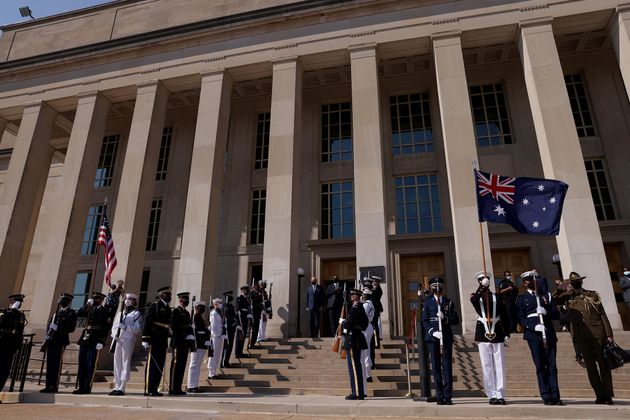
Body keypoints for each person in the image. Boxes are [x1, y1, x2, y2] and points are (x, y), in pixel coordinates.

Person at [565, 271, 615, 405]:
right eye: (573, 281)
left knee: (604, 366)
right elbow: (555, 297)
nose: (576, 283)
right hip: (581, 336)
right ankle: (599, 395)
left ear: (581, 282)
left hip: (598, 333)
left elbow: (602, 314)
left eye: (577, 281)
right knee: (591, 368)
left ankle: (608, 394)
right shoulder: (568, 297)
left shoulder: (591, 295)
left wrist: (609, 334)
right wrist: (563, 288)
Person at [516, 271, 562, 405]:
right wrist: (532, 327)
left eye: (534, 279)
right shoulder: (522, 298)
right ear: (525, 283)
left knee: (552, 366)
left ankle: (556, 395)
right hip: (534, 335)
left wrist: (546, 311)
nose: (531, 282)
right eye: (528, 280)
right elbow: (520, 318)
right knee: (540, 366)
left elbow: (556, 315)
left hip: (548, 332)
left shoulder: (546, 295)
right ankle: (546, 395)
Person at [470, 272, 510, 405]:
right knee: (487, 365)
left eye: (485, 280)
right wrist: (482, 288)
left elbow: (504, 315)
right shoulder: (476, 297)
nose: (483, 281)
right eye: (481, 280)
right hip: (483, 332)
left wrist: (507, 333)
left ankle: (500, 394)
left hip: (497, 331)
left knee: (499, 364)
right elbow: (474, 300)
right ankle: (491, 394)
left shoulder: (497, 297)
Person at [422, 276, 458, 405]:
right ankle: (439, 395)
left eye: (439, 287)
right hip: (433, 338)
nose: (437, 289)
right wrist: (433, 332)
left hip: (446, 337)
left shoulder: (448, 302)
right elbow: (424, 321)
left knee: (447, 367)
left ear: (442, 287)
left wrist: (445, 318)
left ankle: (448, 396)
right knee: (436, 367)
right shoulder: (427, 302)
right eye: (435, 287)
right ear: (431, 288)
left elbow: (455, 320)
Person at [74, 292, 110, 394]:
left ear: (102, 300)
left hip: (95, 339)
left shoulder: (105, 311)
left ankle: (87, 387)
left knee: (90, 364)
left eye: (97, 298)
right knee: (82, 364)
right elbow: (79, 314)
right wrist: (86, 305)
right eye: (94, 298)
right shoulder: (89, 308)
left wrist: (101, 341)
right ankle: (81, 386)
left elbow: (106, 328)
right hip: (85, 338)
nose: (95, 300)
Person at [41, 292, 77, 393]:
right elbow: (49, 327)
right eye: (62, 300)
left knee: (56, 363)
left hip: (61, 341)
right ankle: (48, 385)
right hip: (52, 341)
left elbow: (71, 328)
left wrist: (59, 328)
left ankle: (54, 385)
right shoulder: (55, 313)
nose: (62, 302)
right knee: (50, 364)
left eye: (65, 300)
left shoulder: (71, 313)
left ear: (69, 301)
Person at [142, 286, 172, 397]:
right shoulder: (155, 306)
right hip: (154, 339)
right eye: (167, 294)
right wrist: (145, 338)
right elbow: (148, 321)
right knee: (152, 364)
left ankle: (155, 388)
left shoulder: (168, 308)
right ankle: (149, 388)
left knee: (160, 363)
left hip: (163, 340)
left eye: (170, 295)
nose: (169, 296)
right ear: (161, 295)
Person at [109, 293, 142, 396]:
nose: (127, 301)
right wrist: (115, 334)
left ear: (134, 301)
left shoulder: (136, 314)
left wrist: (125, 327)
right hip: (118, 339)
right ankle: (117, 384)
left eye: (130, 299)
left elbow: (138, 329)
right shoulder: (121, 313)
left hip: (129, 338)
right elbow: (114, 326)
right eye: (127, 299)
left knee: (125, 361)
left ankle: (122, 386)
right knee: (116, 361)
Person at [341, 288, 369, 400]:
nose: (352, 296)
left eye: (354, 295)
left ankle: (356, 393)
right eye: (351, 294)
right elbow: (365, 323)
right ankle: (359, 393)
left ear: (358, 296)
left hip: (352, 339)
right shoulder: (360, 307)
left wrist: (343, 323)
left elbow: (350, 323)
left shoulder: (355, 308)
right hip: (356, 337)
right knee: (357, 367)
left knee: (354, 367)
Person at [169, 291, 194, 395]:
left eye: (187, 299)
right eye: (185, 299)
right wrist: (185, 329)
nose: (186, 301)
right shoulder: (176, 311)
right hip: (178, 341)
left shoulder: (187, 313)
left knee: (182, 365)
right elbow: (174, 326)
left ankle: (178, 387)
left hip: (184, 342)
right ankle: (172, 388)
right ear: (180, 300)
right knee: (176, 365)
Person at [0, 294, 26, 391]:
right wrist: (12, 311)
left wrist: (18, 346)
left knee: (4, 371)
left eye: (19, 303)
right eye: (16, 302)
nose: (18, 304)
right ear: (11, 302)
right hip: (1, 343)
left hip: (10, 346)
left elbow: (19, 331)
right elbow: (2, 322)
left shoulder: (20, 315)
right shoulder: (4, 312)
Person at [187, 301, 210, 393]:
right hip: (197, 344)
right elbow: (194, 331)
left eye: (203, 307)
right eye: (201, 307)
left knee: (198, 365)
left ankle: (195, 385)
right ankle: (191, 385)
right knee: (194, 365)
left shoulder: (200, 318)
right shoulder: (194, 318)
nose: (202, 309)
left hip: (202, 344)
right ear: (196, 308)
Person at [360, 287, 375, 394]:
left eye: (363, 295)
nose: (362, 297)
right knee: (367, 350)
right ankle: (368, 373)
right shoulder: (371, 304)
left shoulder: (366, 305)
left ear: (367, 295)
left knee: (365, 351)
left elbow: (362, 316)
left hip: (365, 327)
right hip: (368, 327)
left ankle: (367, 374)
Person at [207, 298, 225, 380]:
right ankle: (211, 373)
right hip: (215, 336)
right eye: (219, 303)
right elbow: (214, 326)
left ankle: (214, 372)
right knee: (213, 354)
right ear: (215, 304)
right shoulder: (213, 313)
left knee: (217, 354)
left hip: (219, 336)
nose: (221, 304)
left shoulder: (219, 312)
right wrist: (219, 334)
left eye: (221, 303)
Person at [221, 291, 237, 368]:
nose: (229, 298)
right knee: (224, 346)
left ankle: (226, 361)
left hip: (231, 328)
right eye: (228, 297)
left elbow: (235, 316)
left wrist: (234, 323)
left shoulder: (231, 306)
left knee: (230, 345)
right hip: (224, 329)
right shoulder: (222, 306)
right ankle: (222, 362)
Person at [234, 285, 250, 358]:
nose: (247, 291)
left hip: (245, 318)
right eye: (246, 290)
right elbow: (238, 310)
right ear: (243, 290)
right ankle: (237, 353)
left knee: (243, 336)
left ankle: (240, 352)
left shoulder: (247, 298)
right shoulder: (239, 298)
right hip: (241, 319)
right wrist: (239, 322)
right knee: (239, 336)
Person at [249, 282, 264, 349]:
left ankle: (253, 343)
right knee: (252, 330)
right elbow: (252, 303)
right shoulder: (251, 294)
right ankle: (250, 343)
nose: (257, 287)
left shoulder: (259, 293)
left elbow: (261, 302)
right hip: (253, 314)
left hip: (257, 314)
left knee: (256, 329)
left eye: (257, 286)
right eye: (256, 286)